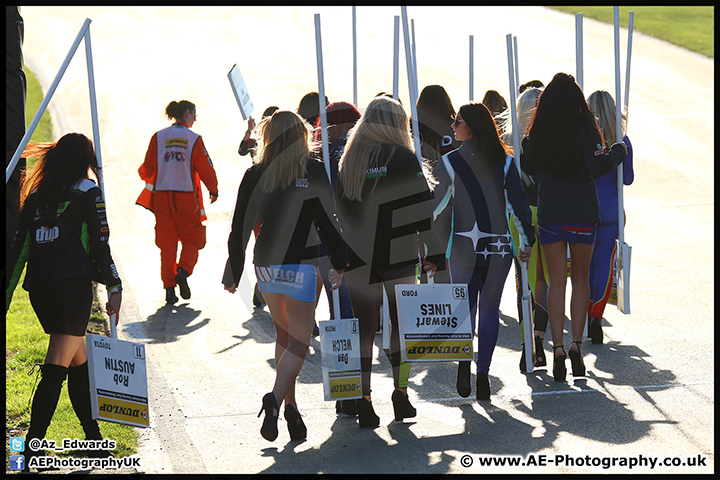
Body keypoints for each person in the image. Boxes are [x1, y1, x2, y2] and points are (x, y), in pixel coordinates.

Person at [223, 110, 348, 442]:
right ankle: (274, 399)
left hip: (264, 265)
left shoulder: (255, 174)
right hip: (301, 265)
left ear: (269, 136)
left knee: (284, 338)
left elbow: (240, 228)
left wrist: (234, 270)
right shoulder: (313, 169)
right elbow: (327, 220)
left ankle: (291, 410)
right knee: (300, 341)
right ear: (302, 135)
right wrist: (340, 261)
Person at [5, 133, 123, 471]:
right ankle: (31, 448)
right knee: (57, 364)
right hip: (73, 290)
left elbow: (19, 251)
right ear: (84, 159)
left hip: (41, 291)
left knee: (78, 361)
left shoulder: (35, 195)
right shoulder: (88, 191)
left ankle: (95, 442)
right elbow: (100, 244)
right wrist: (114, 286)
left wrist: (6, 296)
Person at [336, 96, 444, 427]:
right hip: (397, 252)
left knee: (364, 330)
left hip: (359, 255)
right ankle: (400, 394)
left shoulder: (351, 159)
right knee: (402, 326)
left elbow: (340, 212)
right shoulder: (403, 156)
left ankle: (363, 398)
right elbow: (421, 208)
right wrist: (433, 250)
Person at [524, 73, 627, 382]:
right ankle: (575, 345)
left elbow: (528, 167)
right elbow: (599, 167)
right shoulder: (586, 129)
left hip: (551, 213)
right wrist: (618, 151)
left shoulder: (537, 132)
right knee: (579, 279)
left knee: (557, 282)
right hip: (582, 212)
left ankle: (556, 348)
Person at [433, 103, 534, 400]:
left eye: (457, 122)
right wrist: (527, 241)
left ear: (471, 126)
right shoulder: (504, 162)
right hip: (498, 249)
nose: (452, 127)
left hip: (462, 248)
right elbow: (519, 206)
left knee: (464, 309)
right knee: (489, 309)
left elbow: (435, 209)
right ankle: (483, 374)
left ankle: (465, 364)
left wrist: (427, 244)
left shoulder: (450, 163)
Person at [136, 100, 219, 304]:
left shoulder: (159, 137)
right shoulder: (194, 139)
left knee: (167, 244)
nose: (195, 118)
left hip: (162, 198)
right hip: (185, 197)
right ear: (188, 113)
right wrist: (214, 189)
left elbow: (147, 168)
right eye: (194, 114)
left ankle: (169, 288)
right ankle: (183, 271)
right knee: (193, 238)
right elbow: (206, 168)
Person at [498, 86, 550, 371]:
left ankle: (526, 344)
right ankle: (538, 339)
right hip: (548, 212)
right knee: (545, 280)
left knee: (525, 283)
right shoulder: (550, 138)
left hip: (518, 217)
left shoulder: (508, 141)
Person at [586, 90, 634, 344]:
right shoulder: (622, 140)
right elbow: (627, 178)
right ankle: (596, 313)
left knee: (586, 264)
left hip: (586, 207)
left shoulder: (584, 139)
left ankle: (585, 311)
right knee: (605, 262)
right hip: (612, 209)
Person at [413, 85, 461, 171]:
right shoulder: (455, 128)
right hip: (452, 177)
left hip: (421, 178)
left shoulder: (413, 127)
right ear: (446, 102)